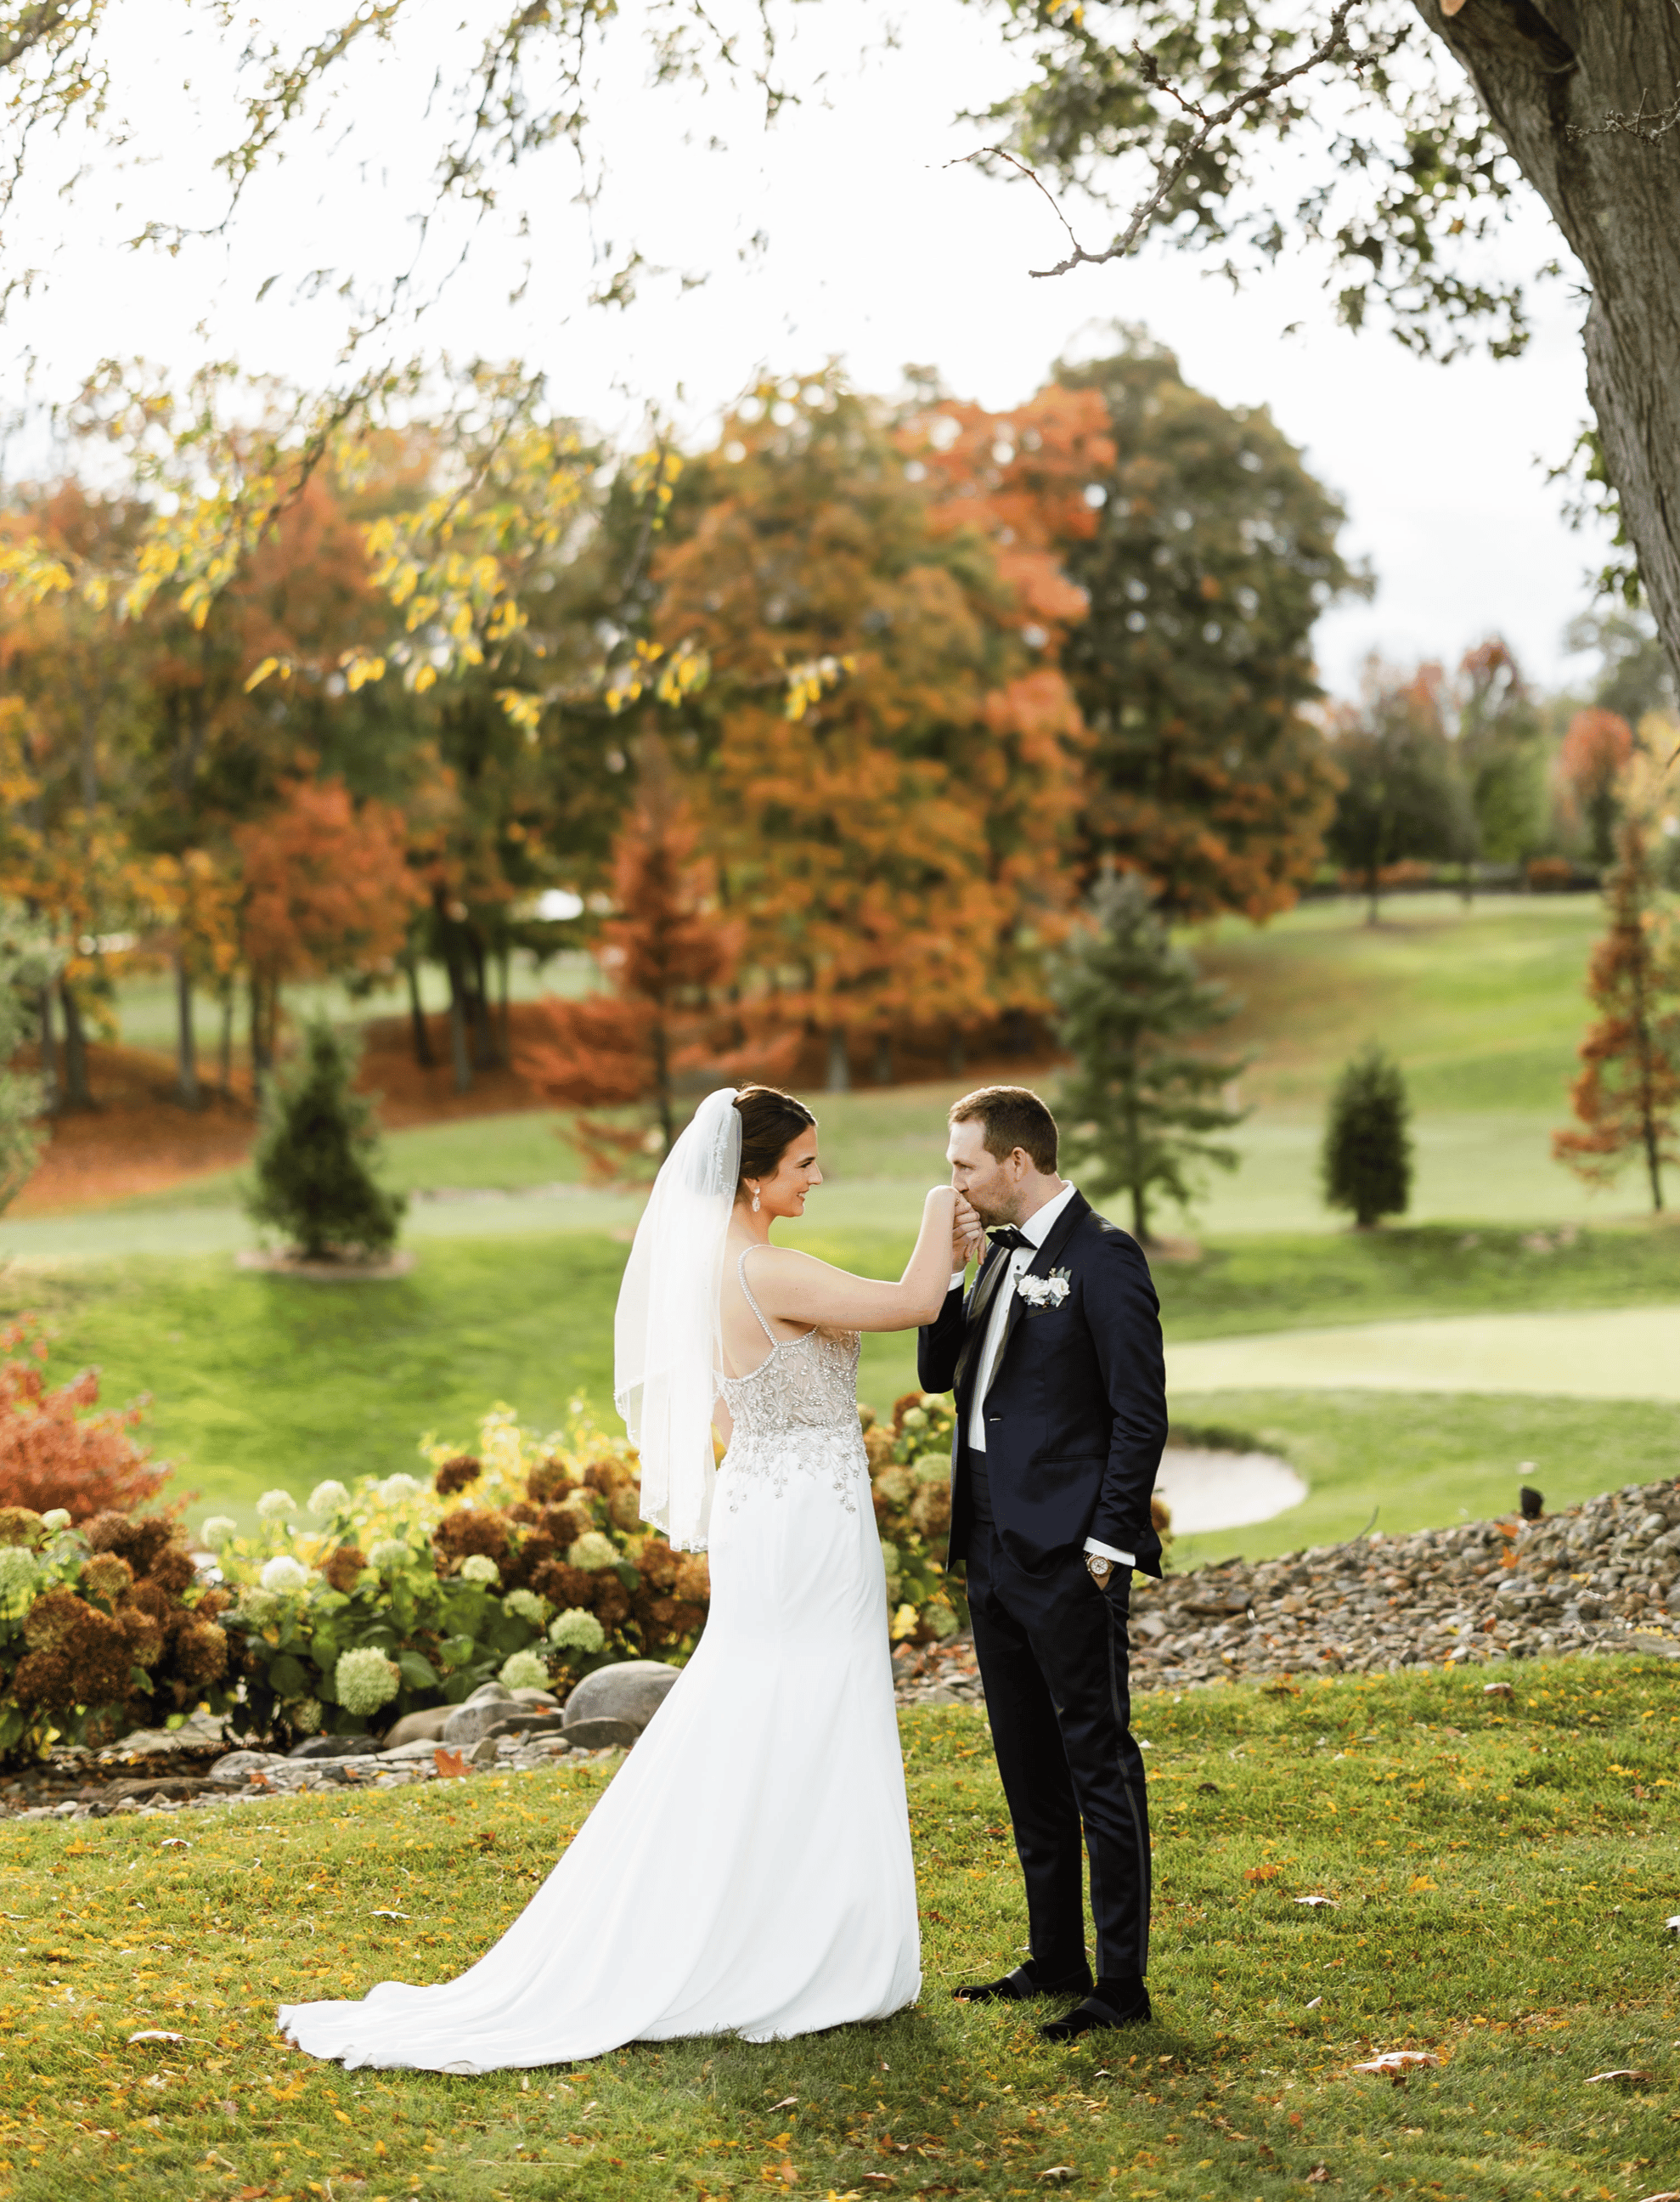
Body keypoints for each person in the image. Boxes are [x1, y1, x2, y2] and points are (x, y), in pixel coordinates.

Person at [278, 1083, 977, 2073]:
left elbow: (726, 1416)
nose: (819, 1177)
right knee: (812, 1703)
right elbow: (912, 1303)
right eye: (805, 1163)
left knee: (767, 1706)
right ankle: (806, 1945)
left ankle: (782, 1927)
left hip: (769, 1508)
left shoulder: (711, 1275)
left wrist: (789, 1452)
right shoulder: (767, 1269)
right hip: (810, 1520)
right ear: (751, 1178)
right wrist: (933, 1218)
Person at [918, 1084, 1168, 2042]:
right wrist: (947, 1275)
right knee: (1027, 1769)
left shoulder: (1102, 1259)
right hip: (990, 1553)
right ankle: (1053, 1957)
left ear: (1015, 1164)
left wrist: (1106, 1547)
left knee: (1096, 1763)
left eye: (963, 1167)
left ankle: (1121, 1985)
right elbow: (942, 1374)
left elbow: (1138, 1413)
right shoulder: (990, 1254)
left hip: (1070, 1559)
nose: (953, 1183)